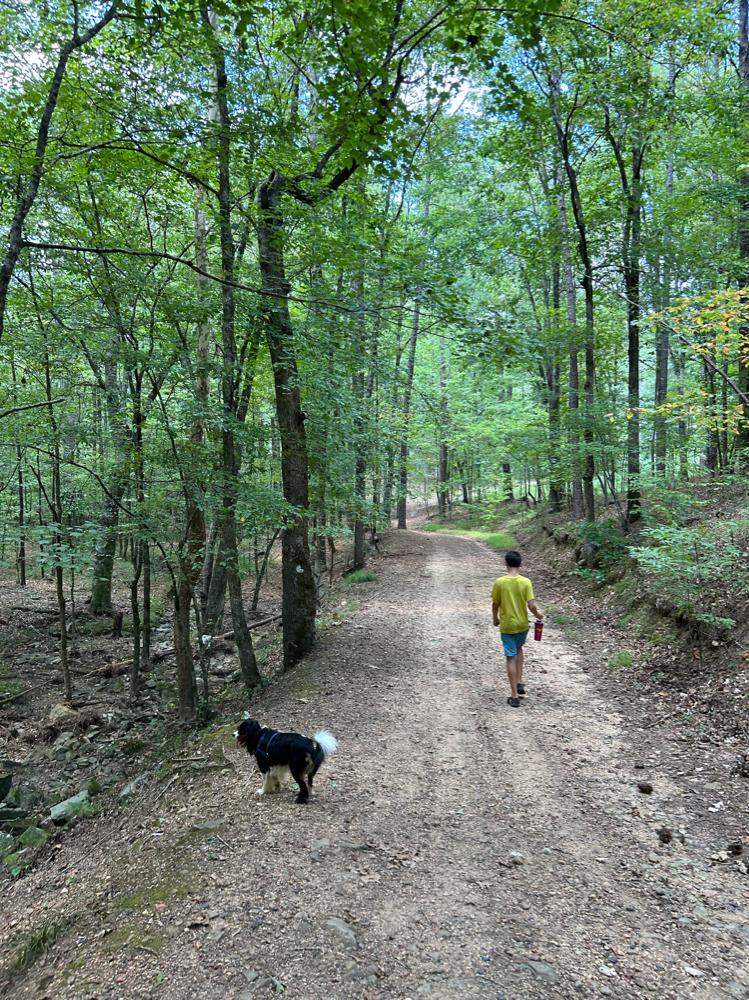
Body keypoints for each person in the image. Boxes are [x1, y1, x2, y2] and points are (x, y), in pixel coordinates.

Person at [491, 550, 544, 708]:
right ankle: (520, 682)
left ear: (506, 563)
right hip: (522, 625)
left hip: (507, 626)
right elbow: (531, 605)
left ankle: (514, 695)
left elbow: (495, 604)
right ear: (520, 564)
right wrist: (539, 615)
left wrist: (495, 618)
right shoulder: (526, 582)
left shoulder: (500, 582)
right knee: (519, 649)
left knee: (510, 657)